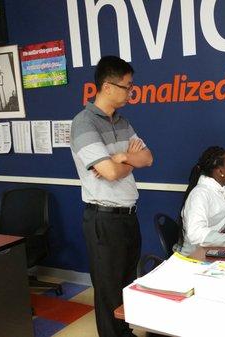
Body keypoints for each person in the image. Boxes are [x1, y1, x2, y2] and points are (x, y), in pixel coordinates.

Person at [70, 55, 153, 337]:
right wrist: (124, 161)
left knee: (127, 285)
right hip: (103, 220)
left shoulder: (122, 121)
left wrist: (121, 157)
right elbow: (110, 172)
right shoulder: (84, 124)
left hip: (128, 216)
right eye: (128, 86)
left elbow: (148, 157)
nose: (132, 91)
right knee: (108, 293)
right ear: (107, 87)